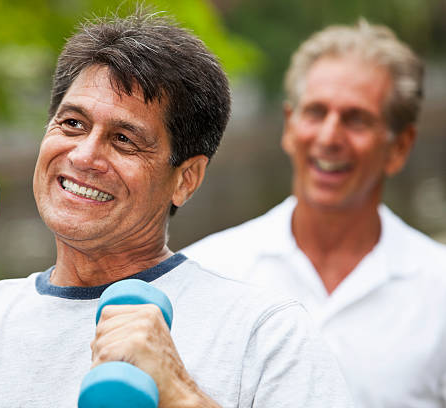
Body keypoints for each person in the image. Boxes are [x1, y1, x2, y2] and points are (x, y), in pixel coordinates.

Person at [0, 9, 353, 407]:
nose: (84, 156)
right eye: (73, 124)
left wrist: (180, 393)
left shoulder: (264, 332)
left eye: (125, 140)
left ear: (186, 179)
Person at [182, 19, 446, 407]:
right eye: (316, 112)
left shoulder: (438, 288)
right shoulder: (207, 272)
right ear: (290, 126)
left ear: (399, 146)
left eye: (356, 119)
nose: (328, 137)